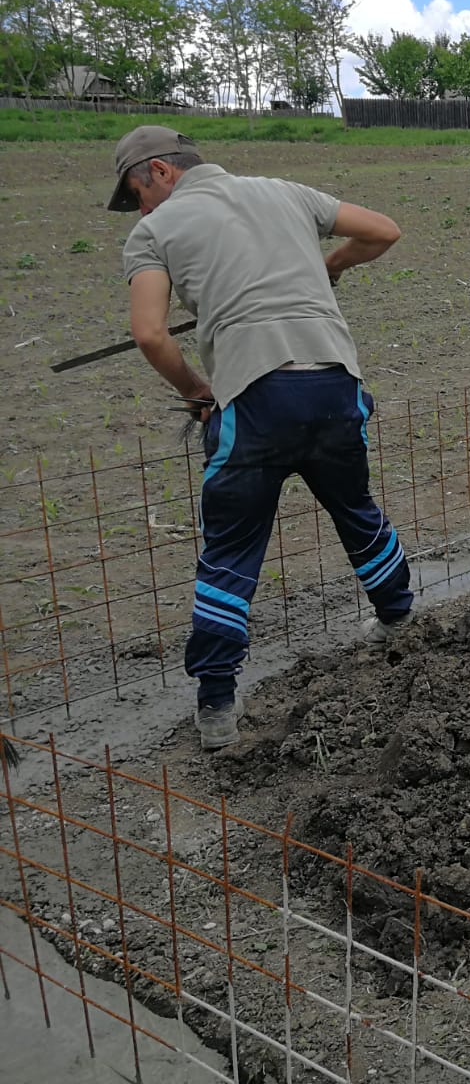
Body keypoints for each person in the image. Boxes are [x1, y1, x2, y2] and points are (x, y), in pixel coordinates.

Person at [109, 126, 414, 752]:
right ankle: (401, 620)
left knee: (231, 550)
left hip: (254, 398)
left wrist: (199, 392)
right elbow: (383, 230)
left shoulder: (154, 232)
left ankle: (218, 704)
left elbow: (149, 334)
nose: (138, 209)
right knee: (355, 510)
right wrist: (329, 266)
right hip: (336, 386)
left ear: (160, 172)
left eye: (136, 193)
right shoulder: (287, 193)